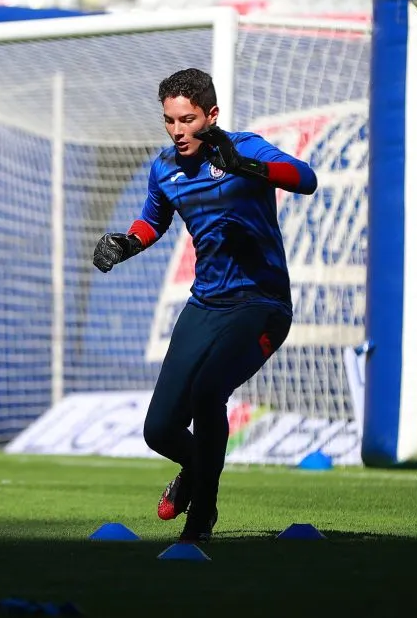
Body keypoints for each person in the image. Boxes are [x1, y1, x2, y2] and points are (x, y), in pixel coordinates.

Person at [91, 68, 318, 543]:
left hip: (262, 304)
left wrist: (247, 168)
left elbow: (306, 179)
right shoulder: (164, 168)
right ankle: (196, 472)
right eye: (169, 121)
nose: (177, 131)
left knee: (208, 392)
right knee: (158, 430)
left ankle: (202, 516)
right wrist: (125, 243)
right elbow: (152, 220)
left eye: (187, 119)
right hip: (206, 306)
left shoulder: (246, 148)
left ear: (211, 116)